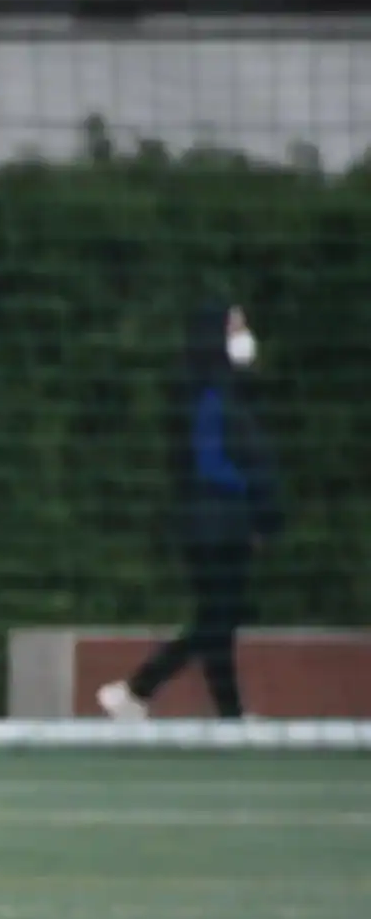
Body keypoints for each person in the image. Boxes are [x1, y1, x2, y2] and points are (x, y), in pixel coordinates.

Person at [99, 301, 283, 722]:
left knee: (218, 621)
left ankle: (228, 716)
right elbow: (213, 461)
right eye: (235, 328)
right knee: (217, 621)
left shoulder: (222, 390)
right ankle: (136, 688)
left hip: (217, 523)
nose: (244, 337)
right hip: (216, 525)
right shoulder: (212, 392)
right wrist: (252, 502)